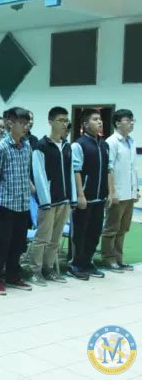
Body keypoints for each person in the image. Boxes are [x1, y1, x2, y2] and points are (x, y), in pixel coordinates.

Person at [0, 107, 33, 295]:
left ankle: (13, 275)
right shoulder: (1, 148)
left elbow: (26, 174)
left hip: (23, 203)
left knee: (18, 243)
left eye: (27, 123)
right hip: (5, 204)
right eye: (21, 123)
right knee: (1, 243)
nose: (25, 127)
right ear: (10, 124)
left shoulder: (27, 146)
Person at [30, 107, 75, 286]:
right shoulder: (41, 146)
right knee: (42, 238)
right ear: (50, 122)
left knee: (55, 239)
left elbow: (70, 172)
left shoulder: (67, 146)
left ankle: (48, 269)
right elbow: (39, 174)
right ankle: (35, 271)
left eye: (66, 121)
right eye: (60, 120)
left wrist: (72, 197)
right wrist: (45, 200)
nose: (64, 124)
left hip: (64, 200)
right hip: (48, 202)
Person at [69, 109, 111, 280]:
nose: (99, 122)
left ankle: (87, 262)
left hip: (99, 198)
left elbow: (108, 170)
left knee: (94, 233)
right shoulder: (78, 145)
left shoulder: (104, 145)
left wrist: (109, 192)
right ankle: (75, 264)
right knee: (80, 233)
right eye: (95, 119)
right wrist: (80, 195)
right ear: (85, 124)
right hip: (84, 199)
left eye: (100, 119)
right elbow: (76, 171)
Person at [101, 109, 138, 272]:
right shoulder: (112, 142)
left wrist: (135, 190)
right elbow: (108, 169)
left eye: (132, 120)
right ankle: (108, 259)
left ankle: (118, 258)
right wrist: (112, 192)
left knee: (123, 229)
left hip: (129, 193)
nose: (131, 123)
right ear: (117, 123)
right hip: (117, 193)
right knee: (111, 228)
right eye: (127, 120)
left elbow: (133, 169)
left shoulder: (131, 141)